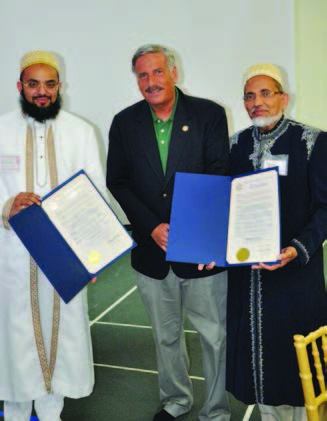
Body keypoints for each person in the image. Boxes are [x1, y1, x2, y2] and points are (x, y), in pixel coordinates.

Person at [106, 44, 230, 421]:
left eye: (157, 72)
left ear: (174, 73)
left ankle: (216, 410)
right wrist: (152, 227)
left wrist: (190, 231)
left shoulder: (209, 115)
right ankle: (175, 401)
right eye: (143, 75)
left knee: (214, 336)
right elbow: (119, 181)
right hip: (150, 251)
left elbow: (217, 174)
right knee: (166, 336)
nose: (150, 81)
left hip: (200, 249)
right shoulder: (124, 122)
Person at [0, 50, 105, 421]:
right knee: (15, 337)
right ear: (20, 86)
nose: (41, 92)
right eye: (33, 84)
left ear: (60, 87)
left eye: (48, 84)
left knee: (64, 334)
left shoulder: (81, 131)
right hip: (12, 255)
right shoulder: (1, 129)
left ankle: (50, 414)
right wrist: (7, 204)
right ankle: (13, 413)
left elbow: (96, 196)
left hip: (66, 256)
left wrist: (93, 255)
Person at [227, 63, 327, 420]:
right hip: (248, 275)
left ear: (283, 97)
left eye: (266, 93)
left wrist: (296, 249)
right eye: (250, 96)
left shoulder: (311, 141)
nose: (258, 102)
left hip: (294, 274)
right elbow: (224, 205)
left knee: (295, 363)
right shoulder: (236, 145)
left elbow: (325, 208)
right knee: (259, 367)